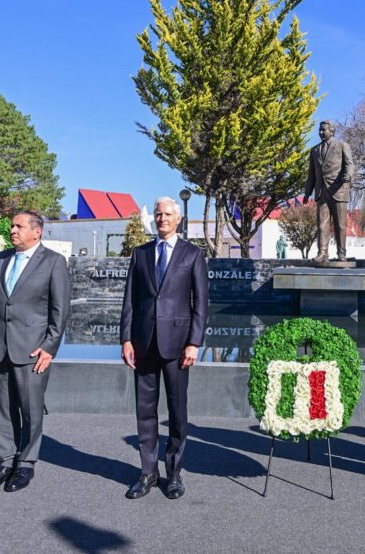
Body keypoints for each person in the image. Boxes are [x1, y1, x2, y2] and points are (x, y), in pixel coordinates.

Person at [120, 197, 209, 500]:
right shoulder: (141, 254)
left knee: (177, 411)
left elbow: (200, 304)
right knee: (145, 411)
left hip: (178, 344)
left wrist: (194, 343)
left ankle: (173, 474)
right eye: (158, 214)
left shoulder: (193, 254)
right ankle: (147, 472)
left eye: (168, 214)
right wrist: (126, 339)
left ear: (178, 219)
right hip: (143, 343)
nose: (162, 218)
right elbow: (130, 300)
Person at [0, 211, 70, 492]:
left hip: (33, 350)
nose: (13, 230)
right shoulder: (0, 259)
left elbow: (60, 309)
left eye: (19, 226)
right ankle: (5, 461)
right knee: (2, 409)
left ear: (37, 232)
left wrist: (49, 347)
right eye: (12, 226)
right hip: (0, 347)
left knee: (30, 409)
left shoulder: (53, 261)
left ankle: (26, 463)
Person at [303, 120, 354, 263]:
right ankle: (322, 253)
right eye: (319, 130)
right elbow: (311, 174)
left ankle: (341, 253)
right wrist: (307, 192)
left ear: (332, 131)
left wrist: (348, 176)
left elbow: (349, 165)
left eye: (323, 130)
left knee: (340, 225)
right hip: (322, 192)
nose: (320, 132)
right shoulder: (314, 150)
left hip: (338, 190)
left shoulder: (342, 146)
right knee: (321, 225)